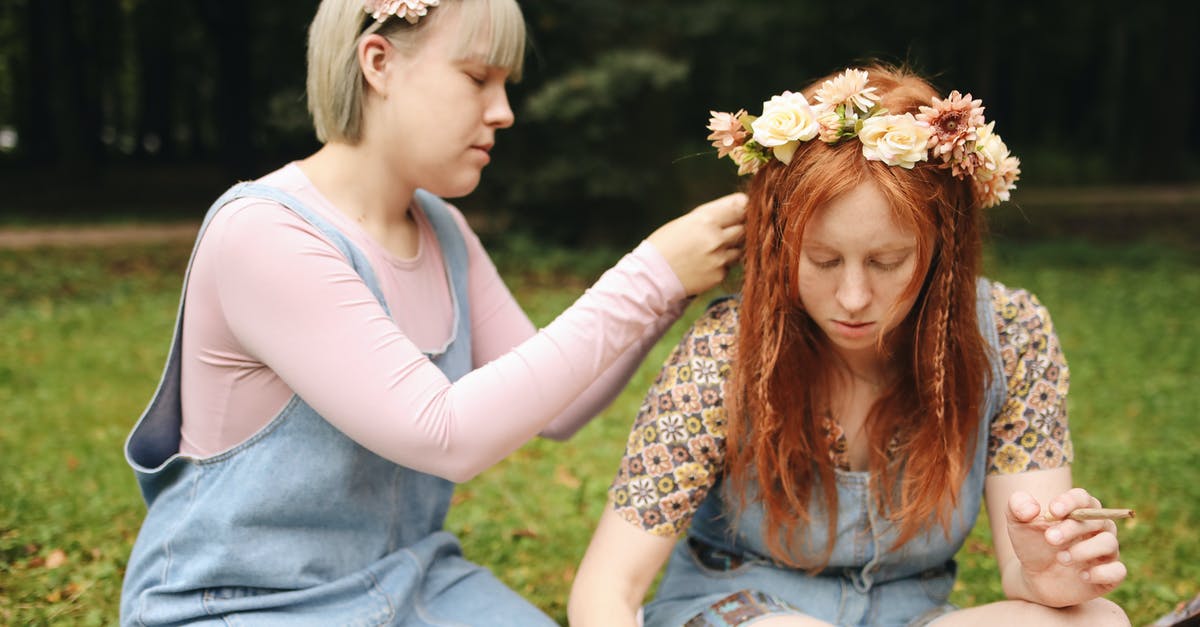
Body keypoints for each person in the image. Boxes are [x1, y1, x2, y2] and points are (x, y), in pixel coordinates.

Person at [119, 0, 745, 625]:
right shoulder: (265, 234)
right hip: (244, 602)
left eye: (505, 85)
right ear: (379, 63)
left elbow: (557, 412)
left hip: (411, 579)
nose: (503, 112)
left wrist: (672, 284)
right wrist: (648, 274)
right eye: (477, 78)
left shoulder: (441, 227)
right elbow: (445, 435)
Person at [568, 65, 1131, 627]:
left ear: (942, 247)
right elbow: (606, 589)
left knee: (1096, 621)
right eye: (823, 260)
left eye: (887, 262)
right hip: (747, 612)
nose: (854, 297)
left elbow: (1025, 565)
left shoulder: (1010, 335)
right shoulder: (727, 350)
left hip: (912, 618)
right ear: (780, 244)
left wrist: (1046, 575)